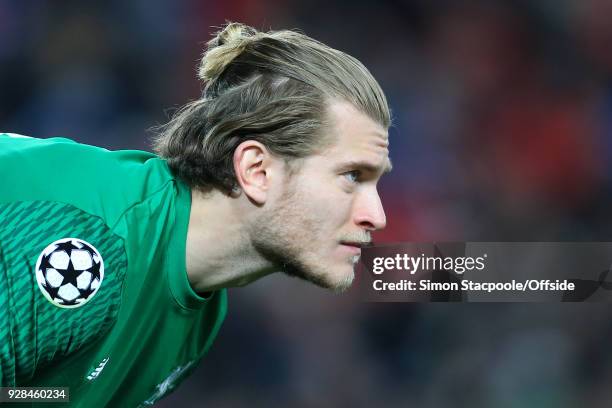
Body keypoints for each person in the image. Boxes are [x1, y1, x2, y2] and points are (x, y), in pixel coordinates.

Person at [0, 22, 391, 406]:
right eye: (351, 176)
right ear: (257, 170)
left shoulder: (200, 313)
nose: (377, 215)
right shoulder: (80, 235)